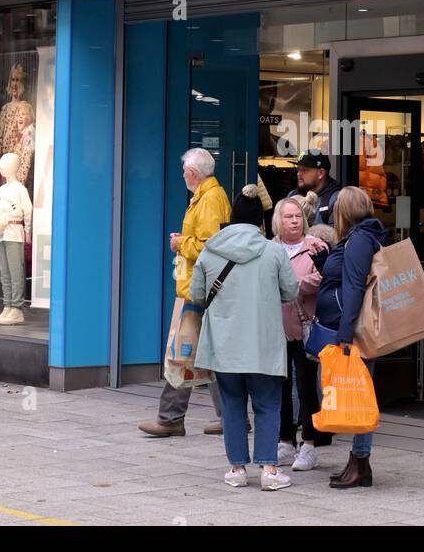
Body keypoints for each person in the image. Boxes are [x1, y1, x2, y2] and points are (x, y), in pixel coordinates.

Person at [192, 185, 300, 490]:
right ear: (260, 223)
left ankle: (237, 469)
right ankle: (269, 470)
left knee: (233, 405)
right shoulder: (274, 251)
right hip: (263, 344)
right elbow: (291, 291)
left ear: (232, 218)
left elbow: (198, 293)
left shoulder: (210, 250)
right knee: (267, 405)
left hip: (224, 346)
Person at [138, 148, 232, 438]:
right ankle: (226, 417)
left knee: (182, 353)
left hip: (199, 290)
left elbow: (211, 247)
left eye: (183, 172)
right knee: (202, 354)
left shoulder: (210, 200)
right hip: (197, 288)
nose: (182, 177)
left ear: (192, 174)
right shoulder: (208, 196)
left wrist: (181, 244)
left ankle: (171, 418)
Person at [314, 185, 390, 489]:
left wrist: (345, 334)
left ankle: (361, 461)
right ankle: (359, 462)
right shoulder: (355, 238)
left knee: (359, 393)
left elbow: (355, 286)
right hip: (347, 327)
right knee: (357, 390)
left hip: (353, 331)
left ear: (343, 211)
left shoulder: (358, 240)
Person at [272, 196, 331, 471]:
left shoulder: (315, 247)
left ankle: (309, 444)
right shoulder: (269, 248)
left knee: (307, 388)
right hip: (276, 329)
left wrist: (296, 284)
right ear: (278, 220)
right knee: (280, 387)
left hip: (306, 328)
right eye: (288, 217)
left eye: (297, 216)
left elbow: (324, 277)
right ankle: (285, 441)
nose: (294, 221)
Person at [287, 151, 342, 228]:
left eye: (304, 170)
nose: (299, 173)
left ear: (321, 173)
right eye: (298, 169)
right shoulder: (293, 195)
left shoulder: (335, 200)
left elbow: (335, 237)